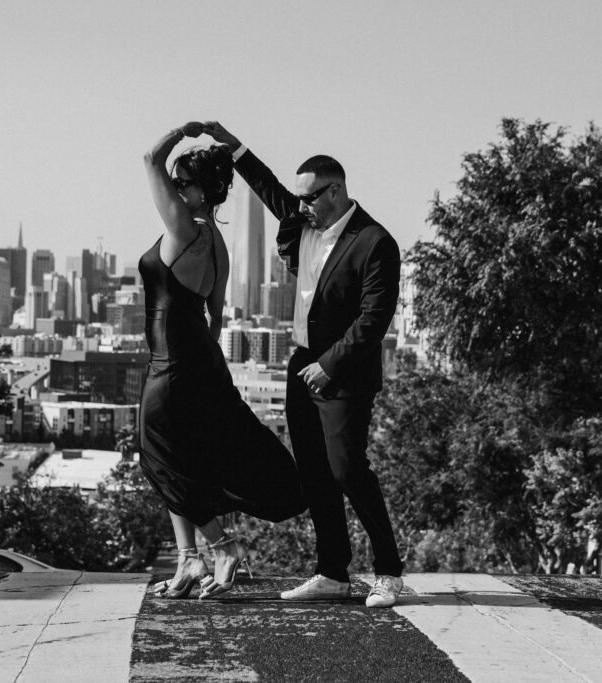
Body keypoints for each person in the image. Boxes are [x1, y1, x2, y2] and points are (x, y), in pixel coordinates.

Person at [203, 121, 405, 608]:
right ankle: (333, 573)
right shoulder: (304, 221)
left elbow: (374, 318)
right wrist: (233, 146)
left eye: (311, 197)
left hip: (344, 374)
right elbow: (269, 185)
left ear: (335, 192)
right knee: (314, 474)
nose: (302, 205)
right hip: (300, 364)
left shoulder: (374, 242)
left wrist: (329, 365)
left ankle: (390, 573)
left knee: (348, 469)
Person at [139, 122, 305, 599]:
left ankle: (221, 546)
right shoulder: (216, 243)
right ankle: (189, 560)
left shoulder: (184, 230)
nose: (173, 189)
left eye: (181, 183)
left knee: (158, 455)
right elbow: (216, 313)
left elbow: (149, 160)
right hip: (197, 361)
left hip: (172, 365)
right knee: (179, 458)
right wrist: (202, 363)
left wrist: (180, 132)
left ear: (200, 191)